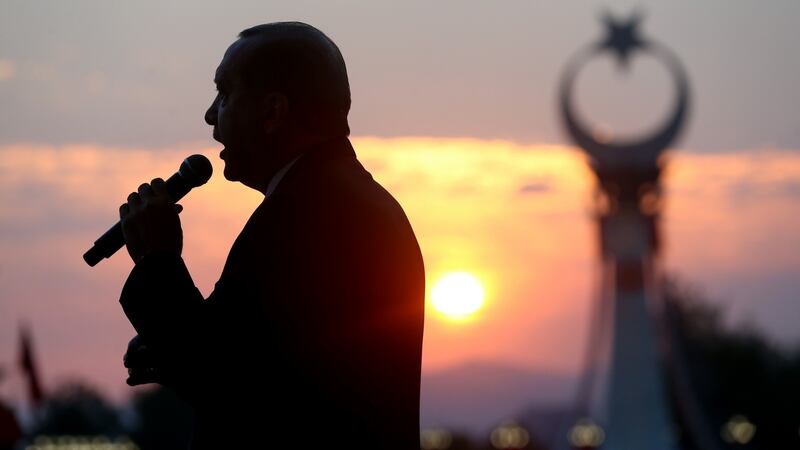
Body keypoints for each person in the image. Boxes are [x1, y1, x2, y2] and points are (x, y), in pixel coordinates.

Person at [118, 22, 425, 450]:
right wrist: (170, 344)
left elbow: (221, 379)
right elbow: (265, 364)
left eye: (224, 94)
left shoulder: (308, 212)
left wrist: (158, 260)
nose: (210, 115)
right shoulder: (342, 199)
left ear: (272, 112)